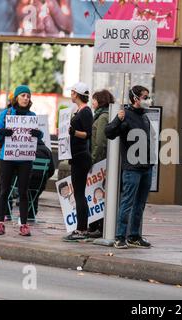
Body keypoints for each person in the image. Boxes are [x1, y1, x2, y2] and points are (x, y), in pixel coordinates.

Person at [105, 85, 154, 249]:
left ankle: (134, 235)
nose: (148, 100)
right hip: (132, 167)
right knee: (127, 202)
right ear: (135, 98)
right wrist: (118, 120)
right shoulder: (125, 114)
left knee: (140, 203)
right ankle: (120, 236)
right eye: (145, 97)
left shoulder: (145, 117)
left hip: (147, 165)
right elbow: (109, 132)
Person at [0, 85, 43, 236]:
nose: (26, 98)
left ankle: (24, 224)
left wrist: (37, 134)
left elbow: (40, 138)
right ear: (16, 97)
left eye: (28, 96)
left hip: (25, 158)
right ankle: (0, 223)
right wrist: (2, 132)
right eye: (23, 95)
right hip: (7, 157)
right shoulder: (6, 113)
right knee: (4, 190)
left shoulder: (32, 116)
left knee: (23, 192)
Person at [62, 82, 93, 242]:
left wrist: (73, 132)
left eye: (72, 92)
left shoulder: (86, 111)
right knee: (79, 193)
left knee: (79, 194)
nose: (71, 94)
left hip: (81, 157)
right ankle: (81, 227)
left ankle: (81, 229)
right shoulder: (79, 111)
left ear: (77, 94)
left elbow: (88, 134)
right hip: (77, 156)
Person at [88, 89, 115, 237]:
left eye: (94, 99)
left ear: (100, 101)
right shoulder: (102, 115)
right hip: (102, 161)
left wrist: (92, 160)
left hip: (100, 162)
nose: (92, 102)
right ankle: (95, 226)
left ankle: (98, 227)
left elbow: (100, 142)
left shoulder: (103, 117)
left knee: (98, 194)